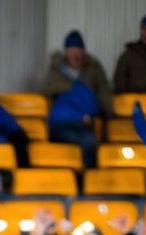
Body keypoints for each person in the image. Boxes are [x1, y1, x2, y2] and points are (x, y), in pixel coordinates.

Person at [41, 30, 112, 169]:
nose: (76, 54)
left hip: (83, 122)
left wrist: (107, 113)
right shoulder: (55, 70)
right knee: (87, 141)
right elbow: (46, 91)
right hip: (61, 123)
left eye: (79, 50)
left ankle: (87, 180)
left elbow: (103, 92)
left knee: (89, 141)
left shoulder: (94, 68)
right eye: (72, 50)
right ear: (66, 52)